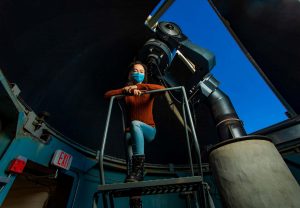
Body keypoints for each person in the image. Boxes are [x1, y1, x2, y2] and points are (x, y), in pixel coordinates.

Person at [104, 61, 165, 183]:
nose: (138, 73)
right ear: (130, 74)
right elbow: (107, 95)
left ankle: (139, 167)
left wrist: (139, 87)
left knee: (135, 123)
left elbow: (162, 89)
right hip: (132, 132)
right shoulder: (127, 92)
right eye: (136, 71)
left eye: (141, 72)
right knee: (127, 138)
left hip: (149, 130)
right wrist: (126, 90)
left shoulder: (147, 89)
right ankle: (135, 191)